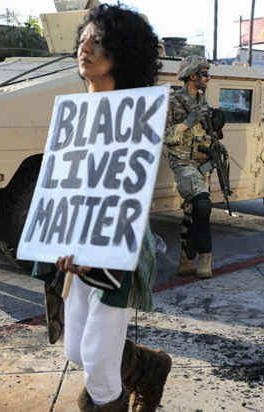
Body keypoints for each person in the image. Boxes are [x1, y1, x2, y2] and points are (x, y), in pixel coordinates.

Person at [32, 4, 171, 412]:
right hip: (76, 245)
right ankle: (146, 367)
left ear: (122, 53)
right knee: (75, 350)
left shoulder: (135, 114)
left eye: (99, 41)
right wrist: (55, 238)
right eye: (83, 39)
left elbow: (129, 192)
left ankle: (109, 400)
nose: (85, 47)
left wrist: (102, 250)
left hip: (117, 247)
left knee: (96, 360)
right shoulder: (75, 113)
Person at [164, 55, 220, 278]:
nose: (208, 77)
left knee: (192, 211)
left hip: (202, 162)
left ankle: (186, 262)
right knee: (203, 206)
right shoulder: (172, 101)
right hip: (183, 162)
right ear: (193, 76)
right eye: (205, 73)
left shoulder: (203, 101)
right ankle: (205, 260)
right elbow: (165, 135)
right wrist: (189, 122)